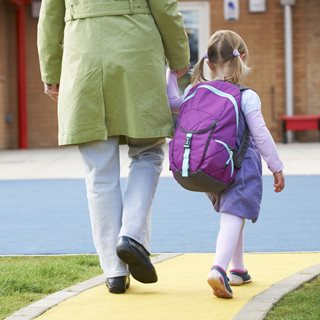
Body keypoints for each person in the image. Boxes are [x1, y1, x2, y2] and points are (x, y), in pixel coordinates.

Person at [37, 0, 190, 294]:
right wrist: (179, 54)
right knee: (147, 153)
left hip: (82, 58)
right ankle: (131, 235)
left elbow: (49, 17)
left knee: (98, 171)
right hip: (136, 52)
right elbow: (166, 7)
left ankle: (115, 271)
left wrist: (51, 71)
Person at [166, 30, 285, 299]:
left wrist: (171, 75)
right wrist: (276, 166)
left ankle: (238, 269)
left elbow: (172, 103)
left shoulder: (194, 90)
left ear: (208, 63)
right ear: (242, 58)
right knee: (234, 215)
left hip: (212, 165)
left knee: (233, 214)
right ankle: (218, 268)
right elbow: (260, 134)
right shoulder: (246, 95)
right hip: (242, 166)